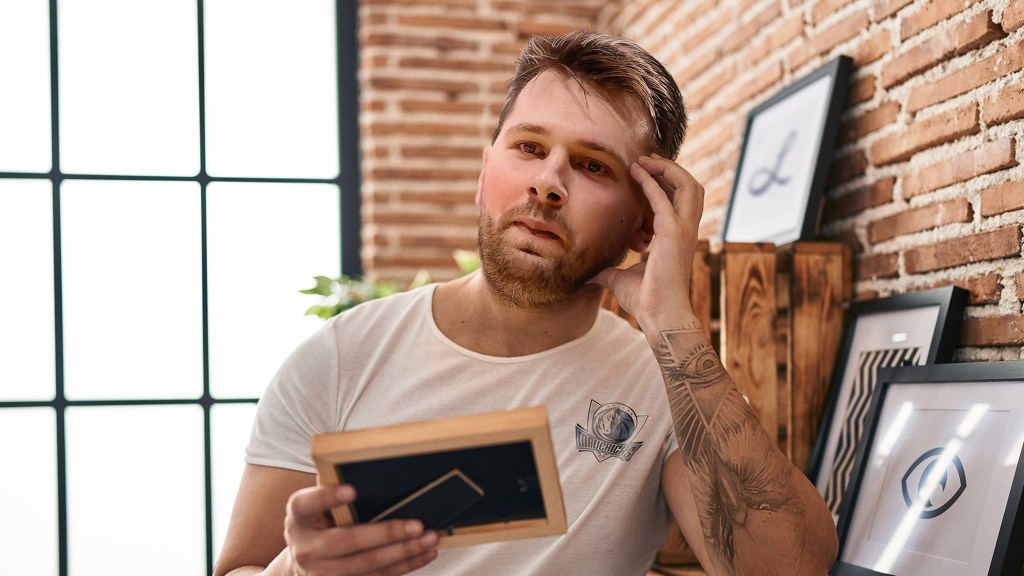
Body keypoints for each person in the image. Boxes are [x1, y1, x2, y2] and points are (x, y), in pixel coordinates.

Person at [213, 30, 838, 576]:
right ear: (486, 176)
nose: (548, 181)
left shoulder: (667, 386)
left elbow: (792, 568)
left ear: (643, 224)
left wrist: (672, 322)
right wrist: (295, 571)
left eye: (593, 165)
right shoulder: (338, 360)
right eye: (530, 148)